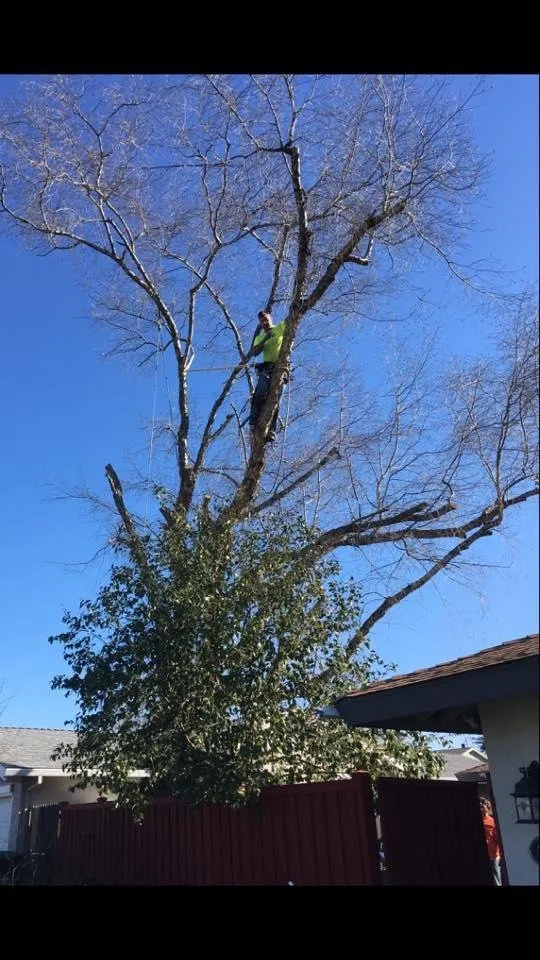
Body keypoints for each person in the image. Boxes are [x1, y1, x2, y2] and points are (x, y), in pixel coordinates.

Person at [249, 310, 287, 443]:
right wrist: (266, 338)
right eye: (262, 321)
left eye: (266, 319)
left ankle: (271, 430)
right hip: (267, 368)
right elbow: (255, 352)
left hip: (280, 368)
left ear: (270, 318)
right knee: (260, 392)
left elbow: (292, 319)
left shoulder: (280, 327)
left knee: (275, 398)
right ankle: (254, 421)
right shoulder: (260, 337)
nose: (264, 322)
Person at [480, 798, 502, 885]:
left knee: (496, 881)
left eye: (482, 806)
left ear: (487, 807)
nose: (480, 808)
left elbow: (498, 840)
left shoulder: (492, 822)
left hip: (493, 856)